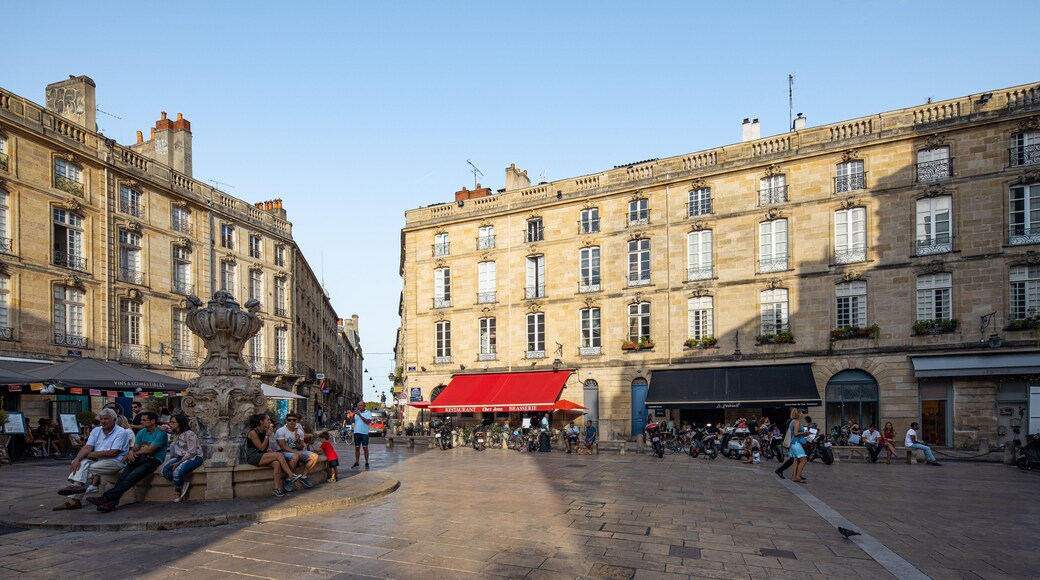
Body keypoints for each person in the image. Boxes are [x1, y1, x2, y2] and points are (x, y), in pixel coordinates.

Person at [86, 411, 168, 512]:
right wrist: (131, 452)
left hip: (153, 460)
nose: (141, 422)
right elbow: (136, 446)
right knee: (123, 477)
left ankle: (105, 498)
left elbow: (150, 450)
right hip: (139, 457)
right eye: (141, 420)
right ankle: (112, 503)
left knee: (131, 477)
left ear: (153, 421)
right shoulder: (142, 432)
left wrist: (133, 453)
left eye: (144, 420)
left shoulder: (161, 433)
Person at [54, 408, 132, 511]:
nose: (103, 421)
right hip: (100, 460)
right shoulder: (96, 430)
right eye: (101, 419)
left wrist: (90, 454)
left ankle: (75, 492)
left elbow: (113, 453)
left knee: (86, 469)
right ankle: (75, 496)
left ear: (114, 420)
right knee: (80, 463)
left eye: (106, 419)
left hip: (116, 461)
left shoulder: (121, 432)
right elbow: (87, 446)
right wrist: (77, 459)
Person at [244, 413, 300, 496]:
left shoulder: (266, 431)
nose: (270, 422)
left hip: (262, 454)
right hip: (253, 456)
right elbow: (261, 448)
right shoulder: (253, 432)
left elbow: (265, 447)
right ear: (261, 421)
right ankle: (291, 475)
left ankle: (276, 488)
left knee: (276, 463)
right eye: (268, 420)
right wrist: (267, 436)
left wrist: (269, 449)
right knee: (279, 455)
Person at [160, 414, 204, 502]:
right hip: (180, 456)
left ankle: (177, 489)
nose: (170, 424)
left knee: (177, 472)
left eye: (173, 422)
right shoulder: (176, 432)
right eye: (170, 422)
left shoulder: (189, 434)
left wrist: (179, 462)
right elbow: (166, 429)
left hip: (194, 457)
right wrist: (163, 428)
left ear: (180, 423)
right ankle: (182, 483)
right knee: (164, 471)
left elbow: (192, 452)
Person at [275, 413, 318, 488]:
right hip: (284, 452)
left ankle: (304, 476)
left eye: (294, 420)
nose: (292, 422)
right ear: (286, 421)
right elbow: (283, 447)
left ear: (296, 421)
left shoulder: (299, 432)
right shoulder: (281, 431)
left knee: (315, 457)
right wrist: (296, 452)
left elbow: (301, 447)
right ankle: (288, 478)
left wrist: (298, 441)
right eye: (289, 420)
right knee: (295, 456)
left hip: (296, 451)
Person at [350, 401, 372, 469]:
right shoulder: (356, 413)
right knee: (357, 448)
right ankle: (357, 462)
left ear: (364, 406)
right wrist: (353, 415)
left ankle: (366, 462)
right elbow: (351, 421)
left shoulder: (368, 413)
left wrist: (360, 415)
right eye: (358, 406)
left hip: (364, 433)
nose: (359, 407)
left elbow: (368, 421)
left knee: (365, 448)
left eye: (361, 405)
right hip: (356, 432)